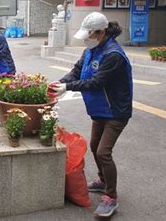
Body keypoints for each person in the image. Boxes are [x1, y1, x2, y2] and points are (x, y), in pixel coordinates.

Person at [48, 12, 132, 218]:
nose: (86, 39)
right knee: (95, 146)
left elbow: (96, 82)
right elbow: (76, 71)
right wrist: (61, 83)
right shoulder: (90, 51)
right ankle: (103, 180)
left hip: (115, 111)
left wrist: (68, 87)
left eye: (89, 35)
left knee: (103, 152)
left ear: (101, 32)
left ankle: (111, 197)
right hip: (99, 110)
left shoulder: (113, 55)